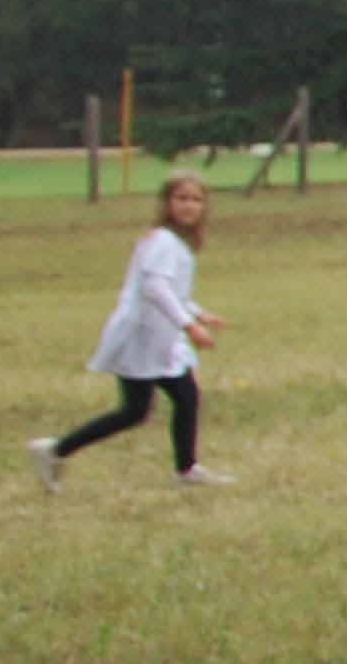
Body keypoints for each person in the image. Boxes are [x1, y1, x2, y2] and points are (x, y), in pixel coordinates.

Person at [30, 168, 226, 487]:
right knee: (138, 410)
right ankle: (56, 449)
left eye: (196, 199)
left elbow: (171, 292)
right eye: (181, 198)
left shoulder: (174, 242)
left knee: (180, 399)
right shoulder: (162, 241)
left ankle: (187, 469)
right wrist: (189, 325)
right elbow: (154, 288)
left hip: (158, 337)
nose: (189, 206)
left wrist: (199, 314)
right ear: (167, 203)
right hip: (142, 337)